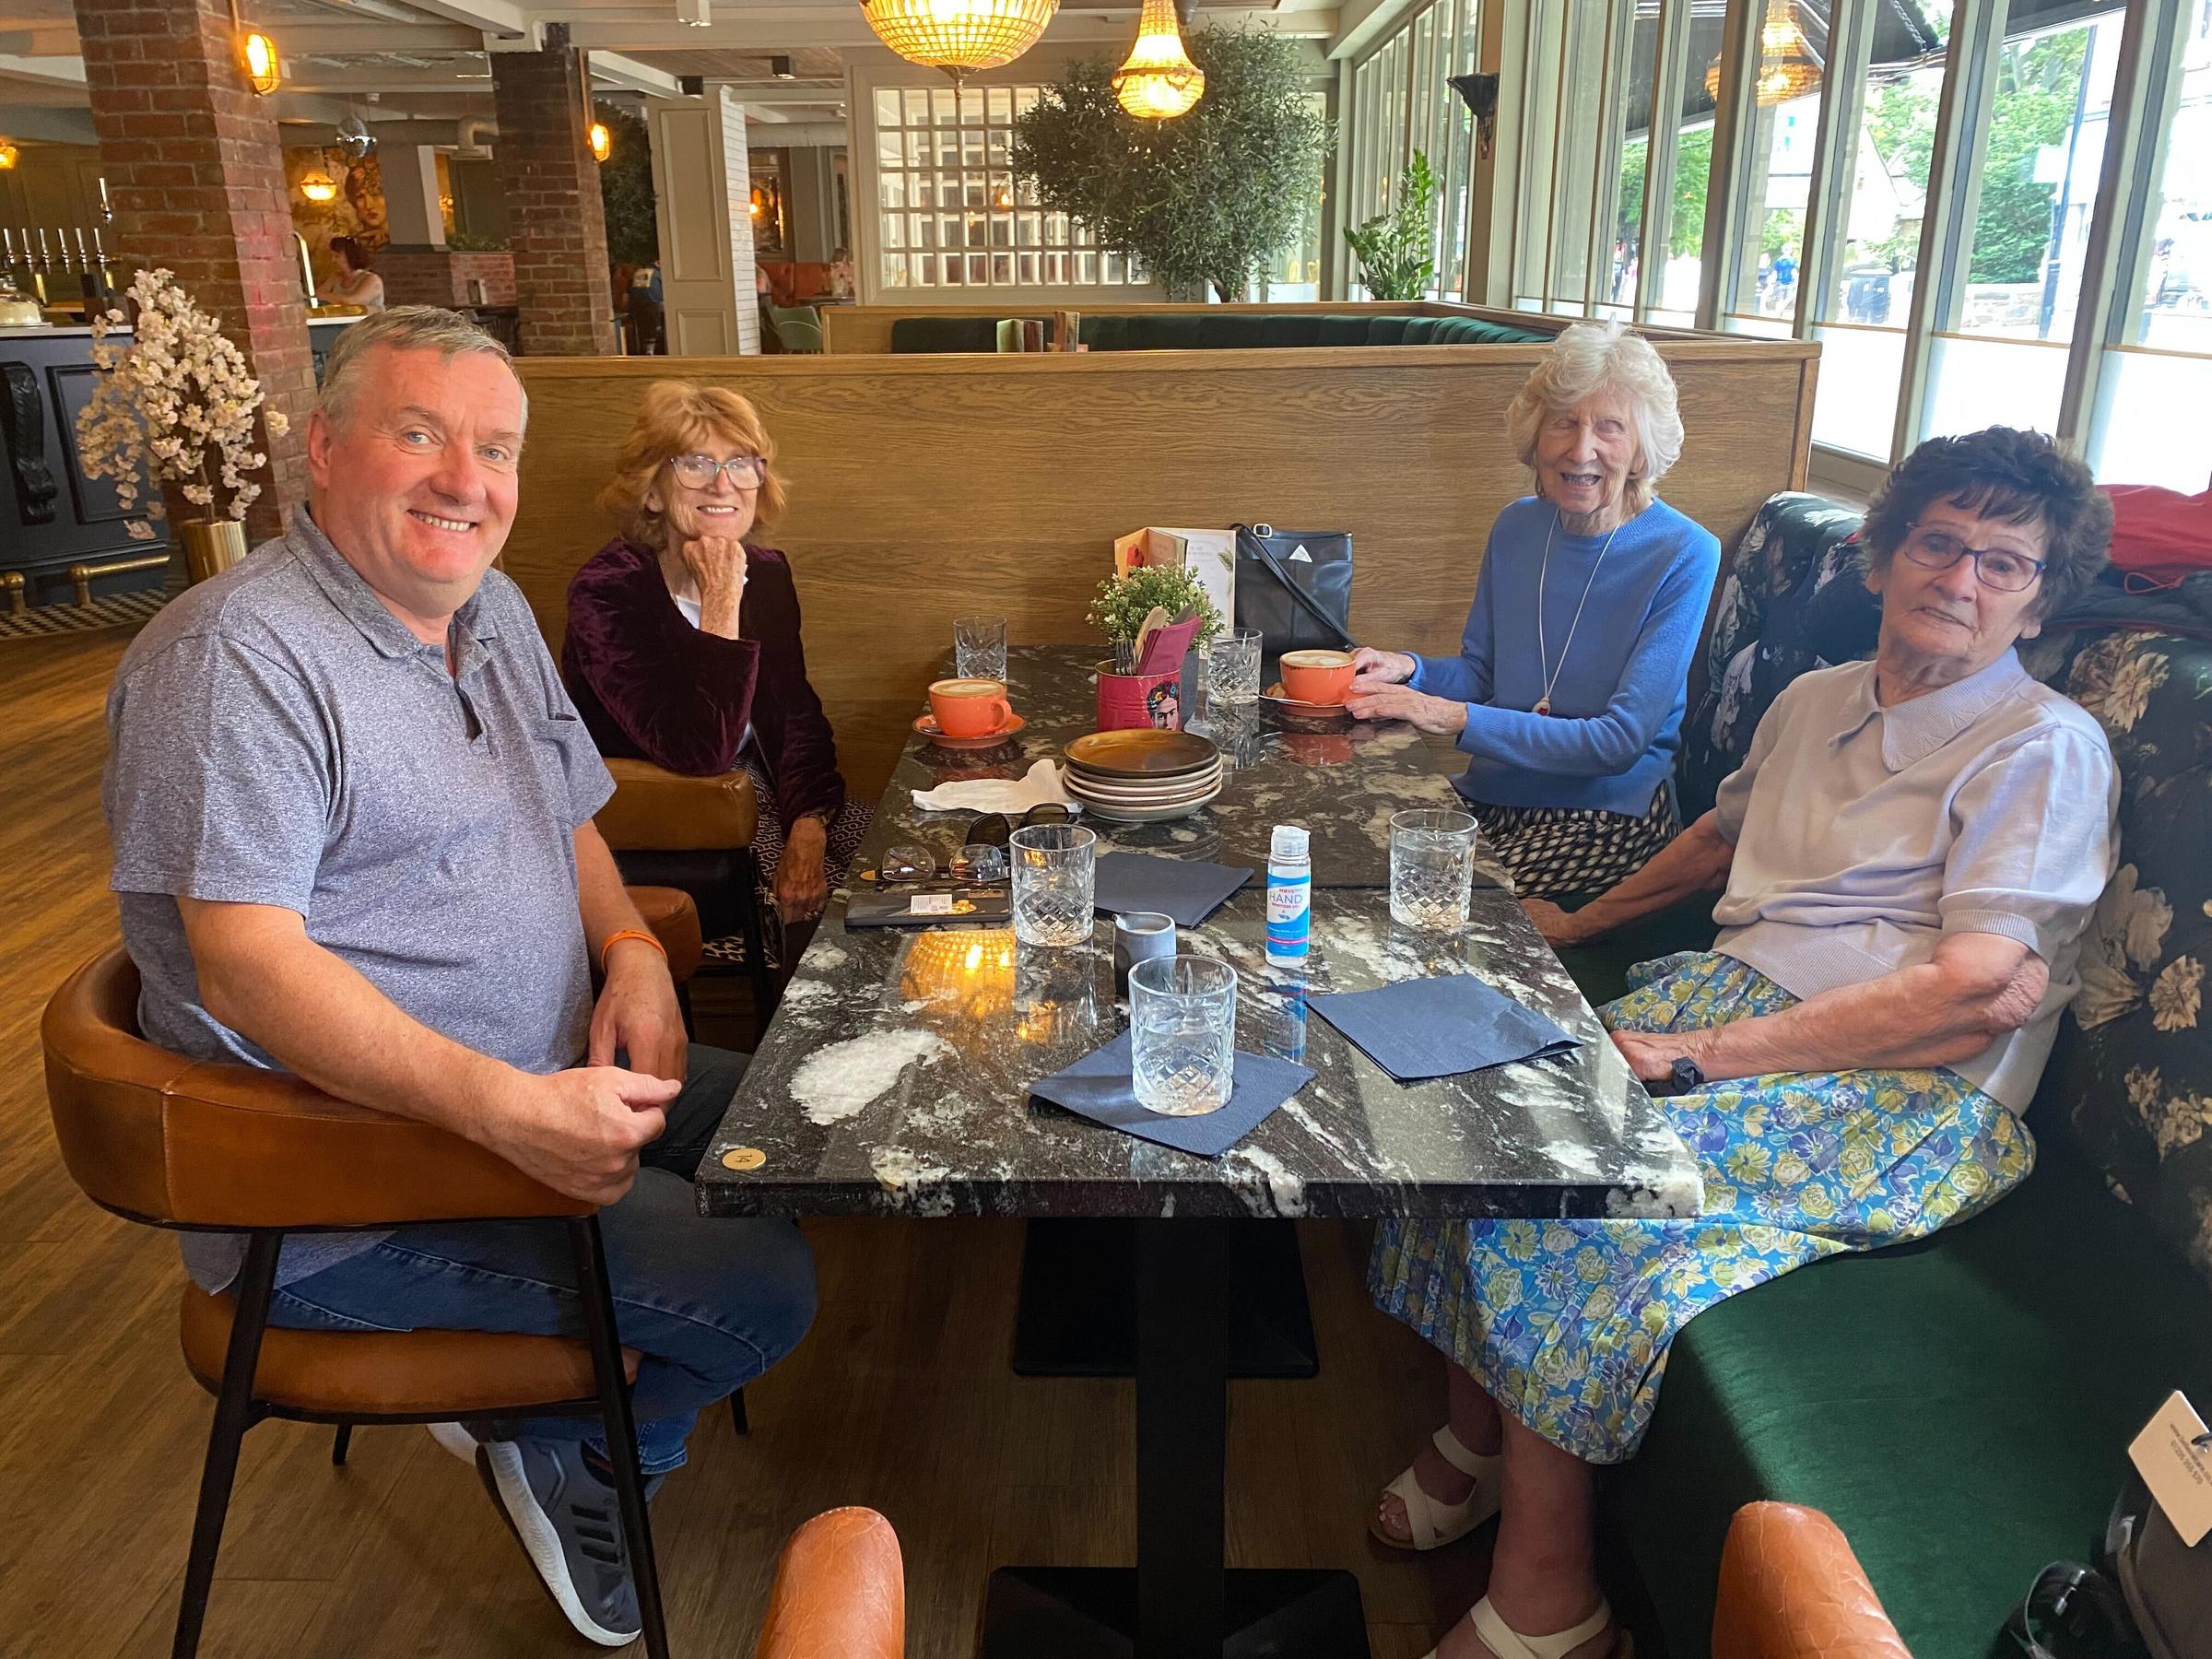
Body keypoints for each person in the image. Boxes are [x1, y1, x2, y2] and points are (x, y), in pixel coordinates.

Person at [102, 307, 816, 1649]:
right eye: (418, 433)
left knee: (807, 1136)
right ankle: (577, 1450)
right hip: (345, 1177)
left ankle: (575, 1410)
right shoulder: (235, 658)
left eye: (494, 447)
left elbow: (567, 816)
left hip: (543, 1069)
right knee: (765, 1285)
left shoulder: (480, 604)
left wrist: (630, 960)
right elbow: (247, 967)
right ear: (321, 448)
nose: (464, 481)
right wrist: (500, 1109)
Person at [1366, 426, 2117, 1659]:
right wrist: (1577, 922)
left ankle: (1553, 1597)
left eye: (2004, 564)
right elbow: (1716, 842)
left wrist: (1705, 1057)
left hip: (1902, 1092)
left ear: (2039, 602)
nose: (1961, 581)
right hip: (1726, 1002)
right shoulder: (1817, 698)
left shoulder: (2043, 749)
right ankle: (1479, 1441)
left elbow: (1976, 994)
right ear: (1883, 558)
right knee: (1454, 1107)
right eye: (1937, 543)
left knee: (1574, 1203)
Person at [1347, 320, 1722, 899]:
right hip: (1492, 796)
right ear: (1535, 438)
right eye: (1563, 423)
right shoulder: (1517, 526)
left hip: (1606, 819)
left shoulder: (1684, 551)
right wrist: (1410, 670)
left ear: (1642, 448)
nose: (1581, 449)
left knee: (1427, 895)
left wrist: (1447, 716)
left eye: (1610, 428)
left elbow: (1619, 742)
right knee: (1347, 854)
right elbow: (1483, 674)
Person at [564, 381, 871, 969]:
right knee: (839, 919)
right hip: (674, 823)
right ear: (652, 493)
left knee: (895, 859)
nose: (723, 482)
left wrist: (808, 824)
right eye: (695, 464)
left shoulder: (769, 573)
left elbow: (794, 712)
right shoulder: (608, 589)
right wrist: (722, 601)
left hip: (762, 790)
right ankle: (800, 1046)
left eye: (740, 463)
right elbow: (699, 751)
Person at [323, 235, 384, 311]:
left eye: (337, 256)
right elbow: (317, 296)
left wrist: (328, 297)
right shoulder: (336, 278)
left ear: (350, 257)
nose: (333, 260)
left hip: (369, 322)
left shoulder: (372, 279)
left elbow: (353, 302)